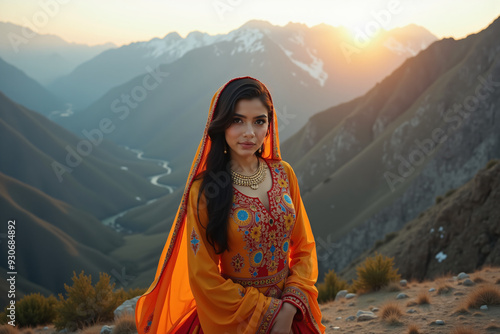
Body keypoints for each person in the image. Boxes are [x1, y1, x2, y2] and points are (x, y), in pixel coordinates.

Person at [135, 77, 326, 334]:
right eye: (237, 120)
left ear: (269, 126)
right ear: (221, 125)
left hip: (290, 310)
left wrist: (289, 307)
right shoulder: (205, 191)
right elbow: (203, 275)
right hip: (236, 318)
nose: (250, 132)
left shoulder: (284, 173)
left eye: (259, 121)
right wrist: (269, 314)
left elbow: (304, 248)